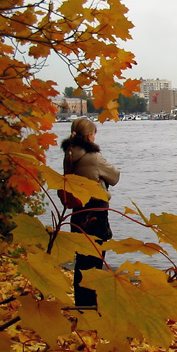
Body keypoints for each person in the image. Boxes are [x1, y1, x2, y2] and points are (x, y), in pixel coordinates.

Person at [60, 117, 120, 307]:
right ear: (89, 135)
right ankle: (91, 304)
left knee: (81, 259)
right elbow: (115, 175)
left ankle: (82, 303)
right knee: (95, 258)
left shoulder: (69, 155)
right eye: (94, 132)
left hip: (77, 212)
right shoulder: (93, 157)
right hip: (95, 211)